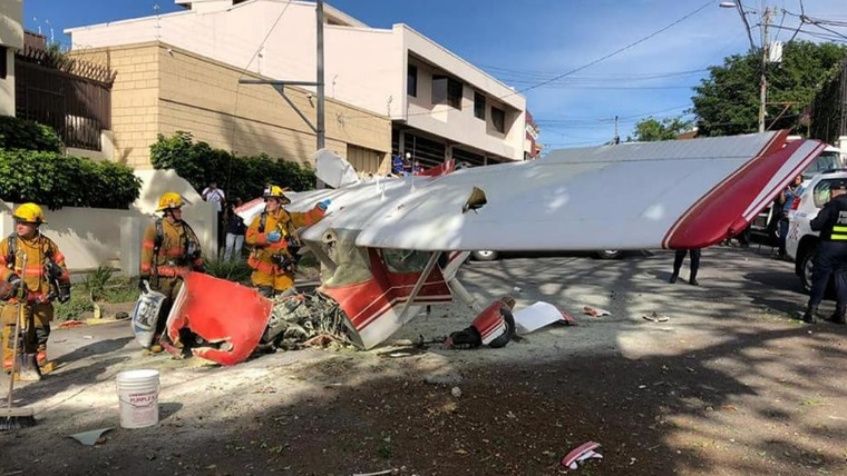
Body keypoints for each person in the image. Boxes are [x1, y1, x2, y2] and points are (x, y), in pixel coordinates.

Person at [0, 203, 70, 376]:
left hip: (41, 298)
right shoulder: (9, 244)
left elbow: (61, 264)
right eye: (18, 221)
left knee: (40, 332)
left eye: (24, 222)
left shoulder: (46, 245)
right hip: (17, 298)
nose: (19, 225)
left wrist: (64, 285)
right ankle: (12, 367)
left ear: (36, 225)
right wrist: (11, 277)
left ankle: (37, 363)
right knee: (13, 332)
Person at [139, 193, 206, 348]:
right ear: (168, 211)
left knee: (181, 307)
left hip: (181, 276)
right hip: (161, 278)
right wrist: (144, 276)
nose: (180, 212)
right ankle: (157, 339)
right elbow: (147, 251)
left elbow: (195, 249)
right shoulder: (155, 228)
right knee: (161, 309)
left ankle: (178, 336)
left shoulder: (185, 228)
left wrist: (200, 268)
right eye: (177, 209)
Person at [245, 185, 330, 297]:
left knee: (285, 296)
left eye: (271, 200)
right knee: (263, 294)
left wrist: (319, 210)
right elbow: (249, 237)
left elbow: (306, 218)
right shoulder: (261, 220)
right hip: (264, 267)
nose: (268, 204)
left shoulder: (288, 218)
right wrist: (266, 238)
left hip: (282, 267)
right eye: (267, 201)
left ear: (279, 202)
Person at [801, 180, 847, 324]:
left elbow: (816, 225)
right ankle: (840, 313)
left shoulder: (833, 205)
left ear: (834, 191)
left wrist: (814, 221)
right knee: (843, 281)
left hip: (828, 247)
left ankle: (812, 311)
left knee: (820, 278)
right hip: (845, 249)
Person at [777, 175, 804, 258]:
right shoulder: (787, 189)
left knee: (792, 236)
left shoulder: (802, 189)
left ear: (801, 180)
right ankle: (782, 252)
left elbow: (798, 197)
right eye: (795, 178)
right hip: (785, 213)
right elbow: (782, 202)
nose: (796, 180)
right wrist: (782, 192)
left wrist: (791, 191)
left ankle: (790, 254)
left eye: (798, 179)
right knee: (783, 235)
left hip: (794, 215)